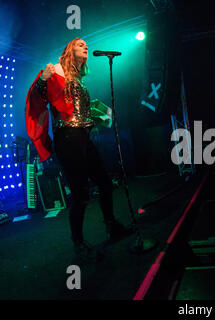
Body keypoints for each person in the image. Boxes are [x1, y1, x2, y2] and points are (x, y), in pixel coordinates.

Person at [25, 38, 131, 259]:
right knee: (81, 192)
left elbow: (80, 112)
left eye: (86, 44)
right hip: (67, 138)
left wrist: (99, 116)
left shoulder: (80, 80)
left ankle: (111, 225)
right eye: (79, 44)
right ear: (68, 49)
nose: (85, 46)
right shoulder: (56, 71)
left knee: (104, 181)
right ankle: (78, 242)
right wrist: (42, 81)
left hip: (82, 136)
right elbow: (38, 96)